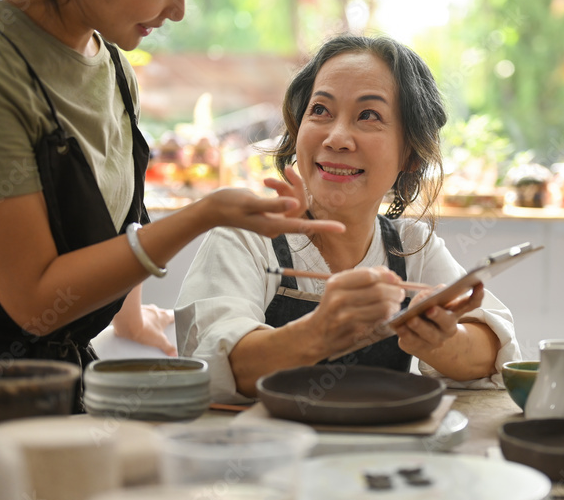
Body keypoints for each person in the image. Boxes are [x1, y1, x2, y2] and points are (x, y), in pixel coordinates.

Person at [0, 0, 342, 405]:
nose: (178, 11)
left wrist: (130, 316)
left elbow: (112, 222)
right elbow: (35, 300)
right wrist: (207, 214)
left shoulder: (111, 67)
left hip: (53, 372)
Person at [176, 35, 521, 402]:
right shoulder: (247, 237)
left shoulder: (410, 248)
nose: (337, 138)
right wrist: (318, 332)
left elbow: (492, 350)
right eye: (320, 110)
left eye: (368, 115)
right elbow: (212, 364)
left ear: (410, 155)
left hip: (382, 441)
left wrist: (442, 340)